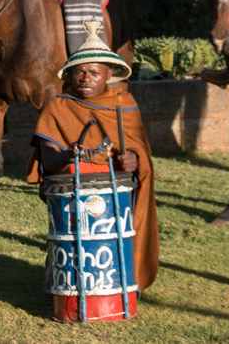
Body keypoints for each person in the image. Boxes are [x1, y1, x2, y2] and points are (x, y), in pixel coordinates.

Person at [27, 19, 159, 292]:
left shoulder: (124, 105)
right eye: (79, 72)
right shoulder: (58, 107)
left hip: (116, 199)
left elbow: (139, 152)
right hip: (72, 195)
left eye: (94, 73)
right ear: (71, 75)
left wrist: (134, 161)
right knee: (71, 241)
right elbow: (48, 161)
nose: (85, 78)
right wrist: (70, 155)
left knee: (112, 240)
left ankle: (121, 281)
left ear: (109, 73)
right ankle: (62, 282)